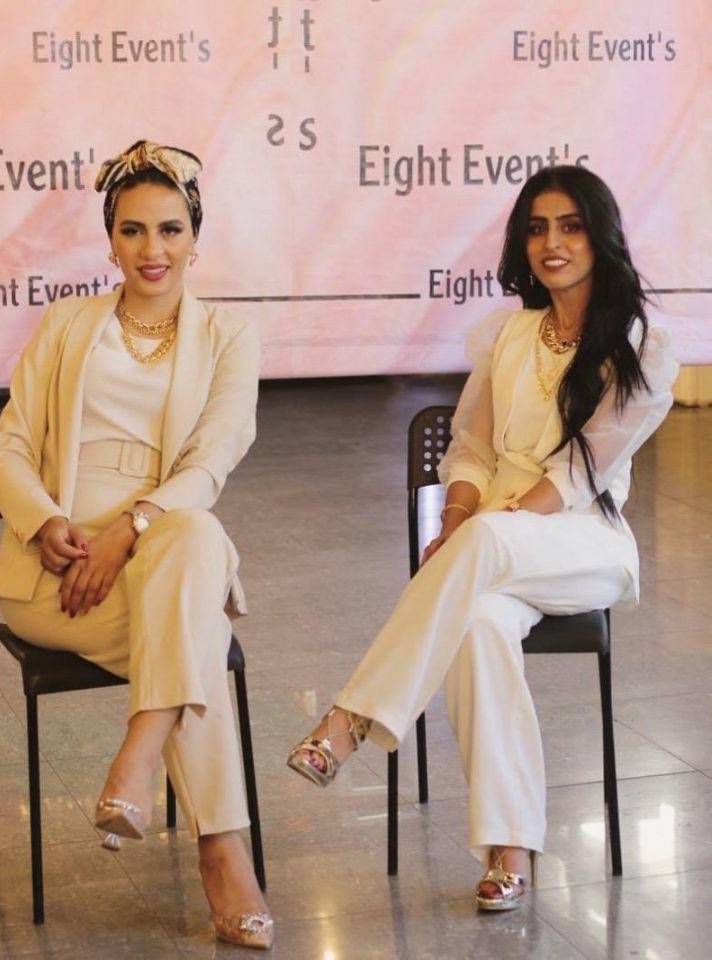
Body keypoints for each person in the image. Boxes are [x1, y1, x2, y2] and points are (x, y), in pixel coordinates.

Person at [287, 165, 678, 911]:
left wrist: (487, 531)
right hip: (496, 542)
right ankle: (510, 845)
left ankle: (350, 719)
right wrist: (458, 522)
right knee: (477, 627)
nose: (552, 243)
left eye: (570, 227)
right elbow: (468, 450)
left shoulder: (643, 346)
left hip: (583, 541)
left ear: (600, 236)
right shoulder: (510, 335)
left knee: (489, 546)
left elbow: (580, 470)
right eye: (537, 229)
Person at [0, 140, 273, 949]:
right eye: (133, 230)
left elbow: (210, 463)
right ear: (109, 240)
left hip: (159, 554)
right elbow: (10, 447)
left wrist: (130, 530)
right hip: (61, 579)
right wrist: (45, 522)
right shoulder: (66, 324)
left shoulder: (228, 336)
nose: (154, 249)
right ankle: (221, 850)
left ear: (195, 237)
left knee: (193, 529)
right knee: (198, 632)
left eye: (171, 230)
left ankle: (139, 758)